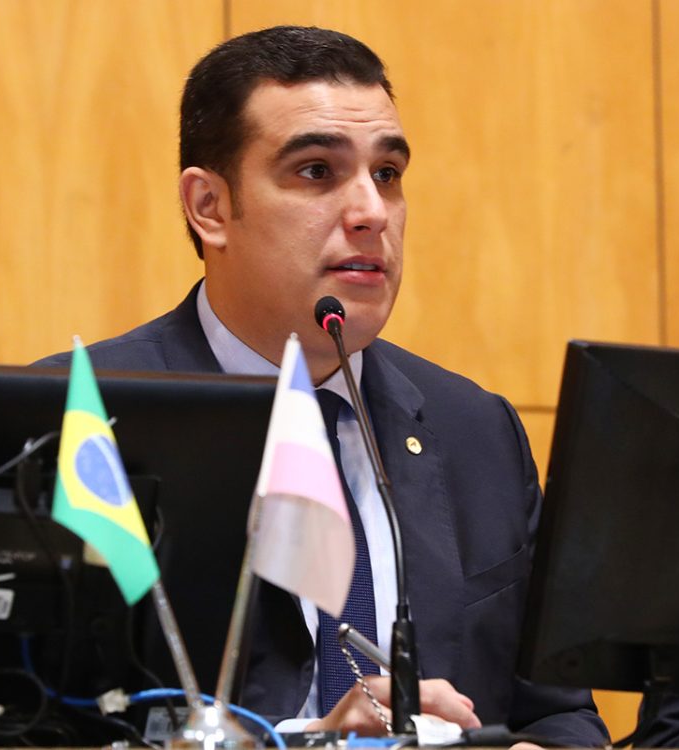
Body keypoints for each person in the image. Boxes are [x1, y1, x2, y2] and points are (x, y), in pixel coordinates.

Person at [38, 25, 608, 746]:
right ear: (209, 206)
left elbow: (559, 714)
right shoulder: (79, 424)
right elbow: (25, 726)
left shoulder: (476, 431)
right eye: (316, 171)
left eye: (388, 174)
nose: (372, 212)